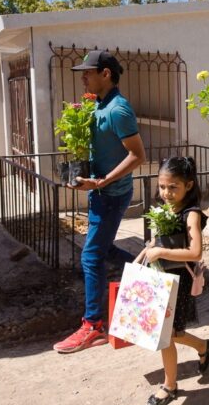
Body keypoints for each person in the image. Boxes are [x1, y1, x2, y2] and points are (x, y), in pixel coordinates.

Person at [54, 50, 146, 353]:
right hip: (98, 192)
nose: (83, 77)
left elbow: (137, 156)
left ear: (106, 74)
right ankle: (145, 274)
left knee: (90, 257)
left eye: (88, 72)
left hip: (112, 194)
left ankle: (92, 326)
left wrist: (102, 181)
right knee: (103, 249)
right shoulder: (97, 105)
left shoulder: (118, 109)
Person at [139, 157, 209, 405]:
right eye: (162, 187)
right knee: (173, 332)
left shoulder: (190, 214)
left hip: (178, 282)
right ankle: (203, 346)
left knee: (167, 335)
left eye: (173, 187)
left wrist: (161, 253)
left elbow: (195, 253)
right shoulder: (164, 209)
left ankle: (169, 386)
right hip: (160, 278)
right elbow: (160, 241)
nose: (166, 193)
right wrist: (149, 250)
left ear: (189, 185)